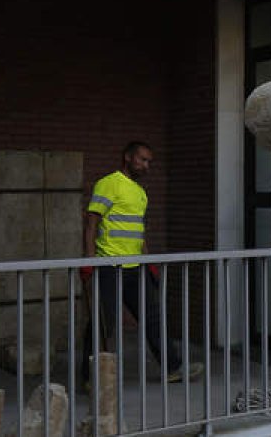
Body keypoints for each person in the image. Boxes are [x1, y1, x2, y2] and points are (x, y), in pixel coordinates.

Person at [81, 142, 202, 385]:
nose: (146, 165)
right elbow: (91, 222)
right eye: (142, 160)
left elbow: (139, 231)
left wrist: (148, 261)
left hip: (136, 267)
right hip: (110, 265)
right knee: (104, 323)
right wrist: (88, 259)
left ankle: (173, 368)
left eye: (149, 162)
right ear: (127, 157)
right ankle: (90, 377)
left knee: (153, 318)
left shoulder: (140, 192)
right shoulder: (109, 183)